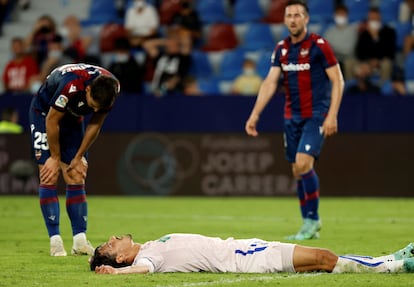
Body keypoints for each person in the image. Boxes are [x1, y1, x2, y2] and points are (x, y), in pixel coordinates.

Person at [245, 0, 344, 240]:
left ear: (306, 19)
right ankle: (307, 224)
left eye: (298, 15)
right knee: (297, 170)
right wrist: (255, 114)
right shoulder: (281, 49)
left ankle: (313, 220)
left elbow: (338, 80)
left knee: (302, 164)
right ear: (285, 19)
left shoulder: (319, 45)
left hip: (316, 115)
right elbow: (270, 82)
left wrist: (332, 115)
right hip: (292, 117)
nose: (293, 19)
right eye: (289, 15)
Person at [28, 63, 120, 257]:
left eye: (97, 107)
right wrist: (54, 157)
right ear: (87, 89)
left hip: (73, 118)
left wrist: (78, 157)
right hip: (44, 113)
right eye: (92, 104)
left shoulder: (112, 88)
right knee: (49, 173)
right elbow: (52, 121)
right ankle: (55, 241)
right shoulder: (70, 85)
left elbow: (95, 123)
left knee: (76, 173)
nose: (93, 109)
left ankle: (79, 241)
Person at [90, 233, 414, 274]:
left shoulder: (149, 247)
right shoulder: (148, 258)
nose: (114, 238)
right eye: (110, 245)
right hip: (247, 259)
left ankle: (390, 259)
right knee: (325, 257)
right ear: (120, 258)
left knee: (325, 262)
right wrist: (117, 274)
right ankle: (395, 267)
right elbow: (142, 270)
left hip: (245, 249)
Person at [354, 7, 397, 84]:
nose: (373, 21)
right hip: (367, 62)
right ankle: (354, 89)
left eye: (375, 18)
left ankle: (383, 89)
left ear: (380, 18)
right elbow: (360, 53)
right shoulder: (364, 34)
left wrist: (375, 38)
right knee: (353, 65)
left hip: (382, 61)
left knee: (387, 64)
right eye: (371, 19)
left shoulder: (389, 32)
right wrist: (367, 62)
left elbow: (389, 52)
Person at [143, 30, 191, 96]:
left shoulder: (182, 57)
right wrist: (165, 41)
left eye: (173, 42)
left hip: (174, 90)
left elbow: (187, 42)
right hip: (156, 89)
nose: (170, 45)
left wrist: (178, 38)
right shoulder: (160, 56)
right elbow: (147, 44)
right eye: (169, 40)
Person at [323, 3, 358, 81]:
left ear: (347, 16)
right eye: (338, 14)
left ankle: (348, 88)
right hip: (333, 60)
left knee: (349, 64)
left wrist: (333, 48)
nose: (340, 17)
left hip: (347, 60)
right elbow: (324, 49)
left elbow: (347, 50)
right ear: (334, 16)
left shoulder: (352, 31)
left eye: (342, 14)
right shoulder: (329, 32)